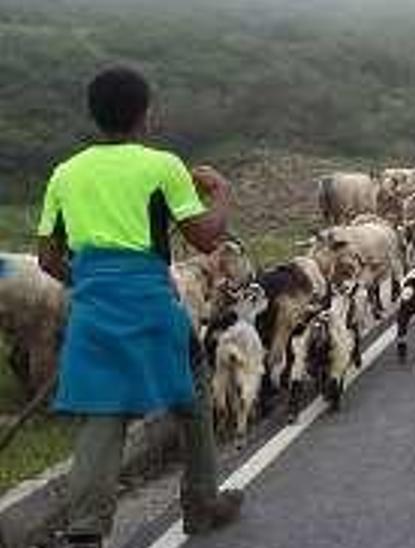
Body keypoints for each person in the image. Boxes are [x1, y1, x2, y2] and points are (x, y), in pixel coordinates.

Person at [35, 67, 244, 548]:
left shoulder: (65, 173)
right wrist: (220, 193)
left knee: (102, 415)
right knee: (192, 398)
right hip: (152, 304)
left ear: (94, 113)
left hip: (92, 311)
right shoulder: (163, 166)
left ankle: (86, 531)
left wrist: (88, 282)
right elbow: (206, 237)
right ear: (145, 113)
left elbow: (47, 258)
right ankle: (202, 503)